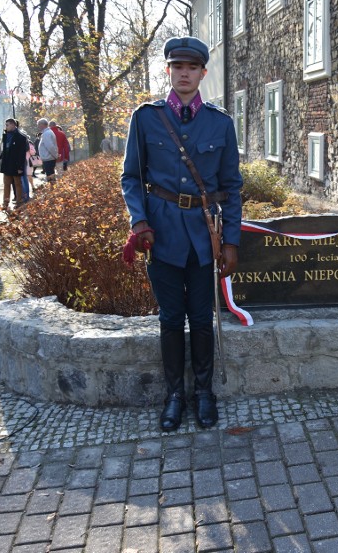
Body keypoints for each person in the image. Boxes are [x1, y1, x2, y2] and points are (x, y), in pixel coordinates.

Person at [121, 36, 243, 431]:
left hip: (205, 237)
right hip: (162, 235)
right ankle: (175, 395)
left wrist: (231, 242)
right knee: (171, 319)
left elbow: (232, 186)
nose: (185, 73)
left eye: (192, 68)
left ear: (203, 73)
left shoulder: (220, 123)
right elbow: (132, 178)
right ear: (169, 71)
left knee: (203, 320)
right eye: (178, 67)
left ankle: (204, 393)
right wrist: (139, 222)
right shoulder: (145, 118)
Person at [0, 118, 27, 210]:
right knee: (6, 184)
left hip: (15, 164)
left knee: (17, 184)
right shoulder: (5, 135)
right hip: (7, 164)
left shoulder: (21, 137)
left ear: (13, 125)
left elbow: (21, 154)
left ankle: (19, 202)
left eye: (7, 125)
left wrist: (20, 167)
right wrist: (1, 158)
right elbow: (4, 149)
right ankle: (5, 203)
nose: (6, 127)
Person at [37, 118, 59, 183]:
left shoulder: (46, 134)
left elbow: (50, 147)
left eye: (38, 125)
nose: (38, 126)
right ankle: (52, 189)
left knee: (50, 176)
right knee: (50, 175)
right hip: (48, 158)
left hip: (48, 158)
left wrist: (55, 156)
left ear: (42, 125)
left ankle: (52, 190)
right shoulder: (47, 133)